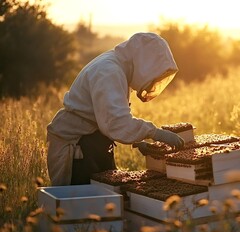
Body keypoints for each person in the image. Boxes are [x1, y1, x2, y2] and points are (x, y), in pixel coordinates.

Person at [47, 32, 184, 186]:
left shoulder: (118, 67)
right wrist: (154, 133)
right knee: (85, 206)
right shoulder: (109, 71)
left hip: (93, 142)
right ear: (144, 62)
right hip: (77, 148)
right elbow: (117, 123)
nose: (152, 82)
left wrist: (140, 140)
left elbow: (110, 116)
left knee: (108, 201)